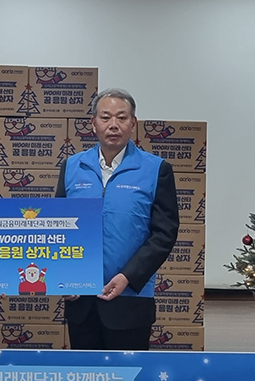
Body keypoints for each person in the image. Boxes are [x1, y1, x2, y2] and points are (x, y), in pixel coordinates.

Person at [55, 88, 179, 350]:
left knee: (128, 373)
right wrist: (64, 277)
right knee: (86, 373)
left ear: (133, 123)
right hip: (81, 299)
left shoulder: (156, 169)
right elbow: (58, 228)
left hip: (131, 298)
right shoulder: (72, 167)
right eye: (105, 117)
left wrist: (128, 277)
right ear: (93, 123)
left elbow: (164, 234)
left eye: (121, 118)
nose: (113, 125)